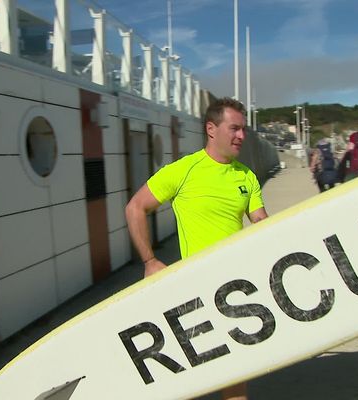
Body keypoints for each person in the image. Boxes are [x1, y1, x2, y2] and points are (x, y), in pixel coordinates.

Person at [125, 97, 267, 400]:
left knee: (236, 373)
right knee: (192, 375)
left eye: (243, 130)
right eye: (235, 128)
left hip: (237, 289)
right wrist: (150, 261)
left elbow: (263, 226)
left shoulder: (247, 176)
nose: (241, 136)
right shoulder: (184, 170)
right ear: (211, 129)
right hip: (193, 291)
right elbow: (135, 207)